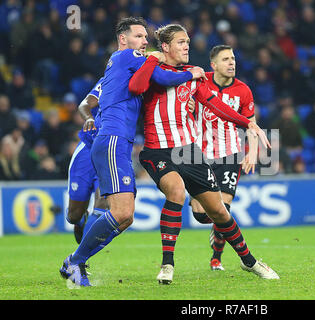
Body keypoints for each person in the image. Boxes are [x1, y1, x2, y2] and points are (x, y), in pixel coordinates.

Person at [60, 17, 206, 287]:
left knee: (124, 215)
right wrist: (191, 73)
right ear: (123, 39)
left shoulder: (123, 64)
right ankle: (75, 262)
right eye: (138, 36)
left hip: (118, 142)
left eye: (145, 38)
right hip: (113, 139)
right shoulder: (128, 56)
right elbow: (162, 76)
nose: (144, 42)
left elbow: (146, 80)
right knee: (120, 213)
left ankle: (75, 261)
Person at [130, 23, 278, 284]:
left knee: (218, 213)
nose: (187, 45)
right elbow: (136, 87)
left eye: (187, 41)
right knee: (175, 191)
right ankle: (167, 265)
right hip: (158, 151)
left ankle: (250, 262)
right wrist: (153, 58)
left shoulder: (193, 75)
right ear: (165, 46)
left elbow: (216, 105)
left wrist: (248, 123)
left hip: (189, 153)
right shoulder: (153, 69)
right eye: (180, 42)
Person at [187, 44, 259, 271]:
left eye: (233, 59)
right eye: (226, 59)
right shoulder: (200, 81)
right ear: (214, 65)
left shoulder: (243, 91)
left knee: (223, 207)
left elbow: (252, 124)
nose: (232, 63)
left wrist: (253, 152)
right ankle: (217, 230)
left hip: (230, 154)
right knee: (200, 214)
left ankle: (216, 258)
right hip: (200, 155)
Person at [65, 78, 108, 246]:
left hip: (109, 153)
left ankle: (79, 259)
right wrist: (89, 118)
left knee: (103, 203)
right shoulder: (107, 82)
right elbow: (84, 104)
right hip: (87, 150)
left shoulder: (140, 85)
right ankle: (80, 218)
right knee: (74, 215)